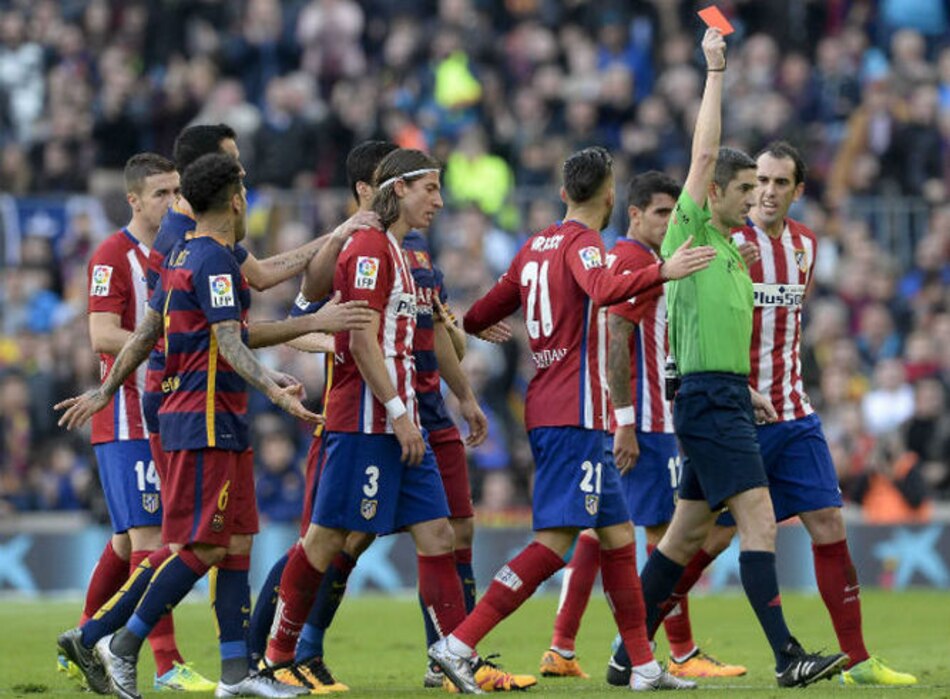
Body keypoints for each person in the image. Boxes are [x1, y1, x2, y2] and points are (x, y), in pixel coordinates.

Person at [56, 153, 373, 699]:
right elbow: (229, 341)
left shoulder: (181, 254)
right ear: (235, 200)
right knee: (202, 546)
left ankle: (235, 675)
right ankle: (117, 644)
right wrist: (276, 388)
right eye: (244, 191)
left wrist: (106, 389)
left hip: (215, 415)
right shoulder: (213, 261)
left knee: (236, 544)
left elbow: (148, 332)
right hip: (202, 420)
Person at [429, 144, 718, 693]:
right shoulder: (585, 244)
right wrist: (665, 269)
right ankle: (458, 645)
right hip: (574, 414)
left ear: (564, 192)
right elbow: (605, 290)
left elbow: (478, 314)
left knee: (618, 538)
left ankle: (643, 666)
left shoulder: (533, 246)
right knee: (554, 543)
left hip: (556, 407)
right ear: (609, 195)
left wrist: (482, 327)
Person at [248, 141, 521, 693]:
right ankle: (275, 657)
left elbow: (428, 337)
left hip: (408, 420)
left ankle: (451, 656)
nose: (439, 201)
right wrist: (397, 412)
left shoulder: (403, 251)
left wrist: (456, 392)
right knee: (327, 541)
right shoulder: (368, 247)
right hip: (366, 422)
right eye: (430, 189)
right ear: (398, 189)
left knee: (440, 533)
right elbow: (357, 337)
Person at [630, 29, 847, 688]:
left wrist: (745, 386)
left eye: (766, 186)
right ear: (716, 192)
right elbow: (703, 151)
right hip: (708, 402)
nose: (756, 197)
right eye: (747, 186)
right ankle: (787, 656)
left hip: (724, 395)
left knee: (683, 538)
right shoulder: (691, 228)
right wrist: (716, 70)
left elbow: (718, 332)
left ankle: (627, 651)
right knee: (758, 521)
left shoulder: (731, 249)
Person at [539, 171, 744, 681]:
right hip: (645, 423)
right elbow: (616, 338)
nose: (669, 222)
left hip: (639, 418)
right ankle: (680, 651)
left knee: (601, 532)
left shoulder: (640, 259)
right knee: (666, 537)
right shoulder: (633, 260)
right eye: (660, 213)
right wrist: (627, 422)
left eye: (674, 213)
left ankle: (562, 645)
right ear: (633, 213)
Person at [721, 141, 915, 684]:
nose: (768, 191)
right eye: (760, 180)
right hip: (738, 416)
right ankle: (637, 643)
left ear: (798, 190)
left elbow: (791, 327)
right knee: (701, 539)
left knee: (829, 523)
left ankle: (858, 661)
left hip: (794, 412)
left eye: (780, 182)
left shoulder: (806, 244)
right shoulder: (727, 242)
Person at [65, 152, 216, 692]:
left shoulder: (182, 250)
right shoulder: (112, 254)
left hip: (167, 412)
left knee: (129, 544)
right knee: (152, 538)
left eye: (177, 192)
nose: (173, 203)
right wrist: (168, 345)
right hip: (127, 416)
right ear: (133, 200)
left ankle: (82, 642)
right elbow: (102, 334)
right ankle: (166, 664)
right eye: (161, 194)